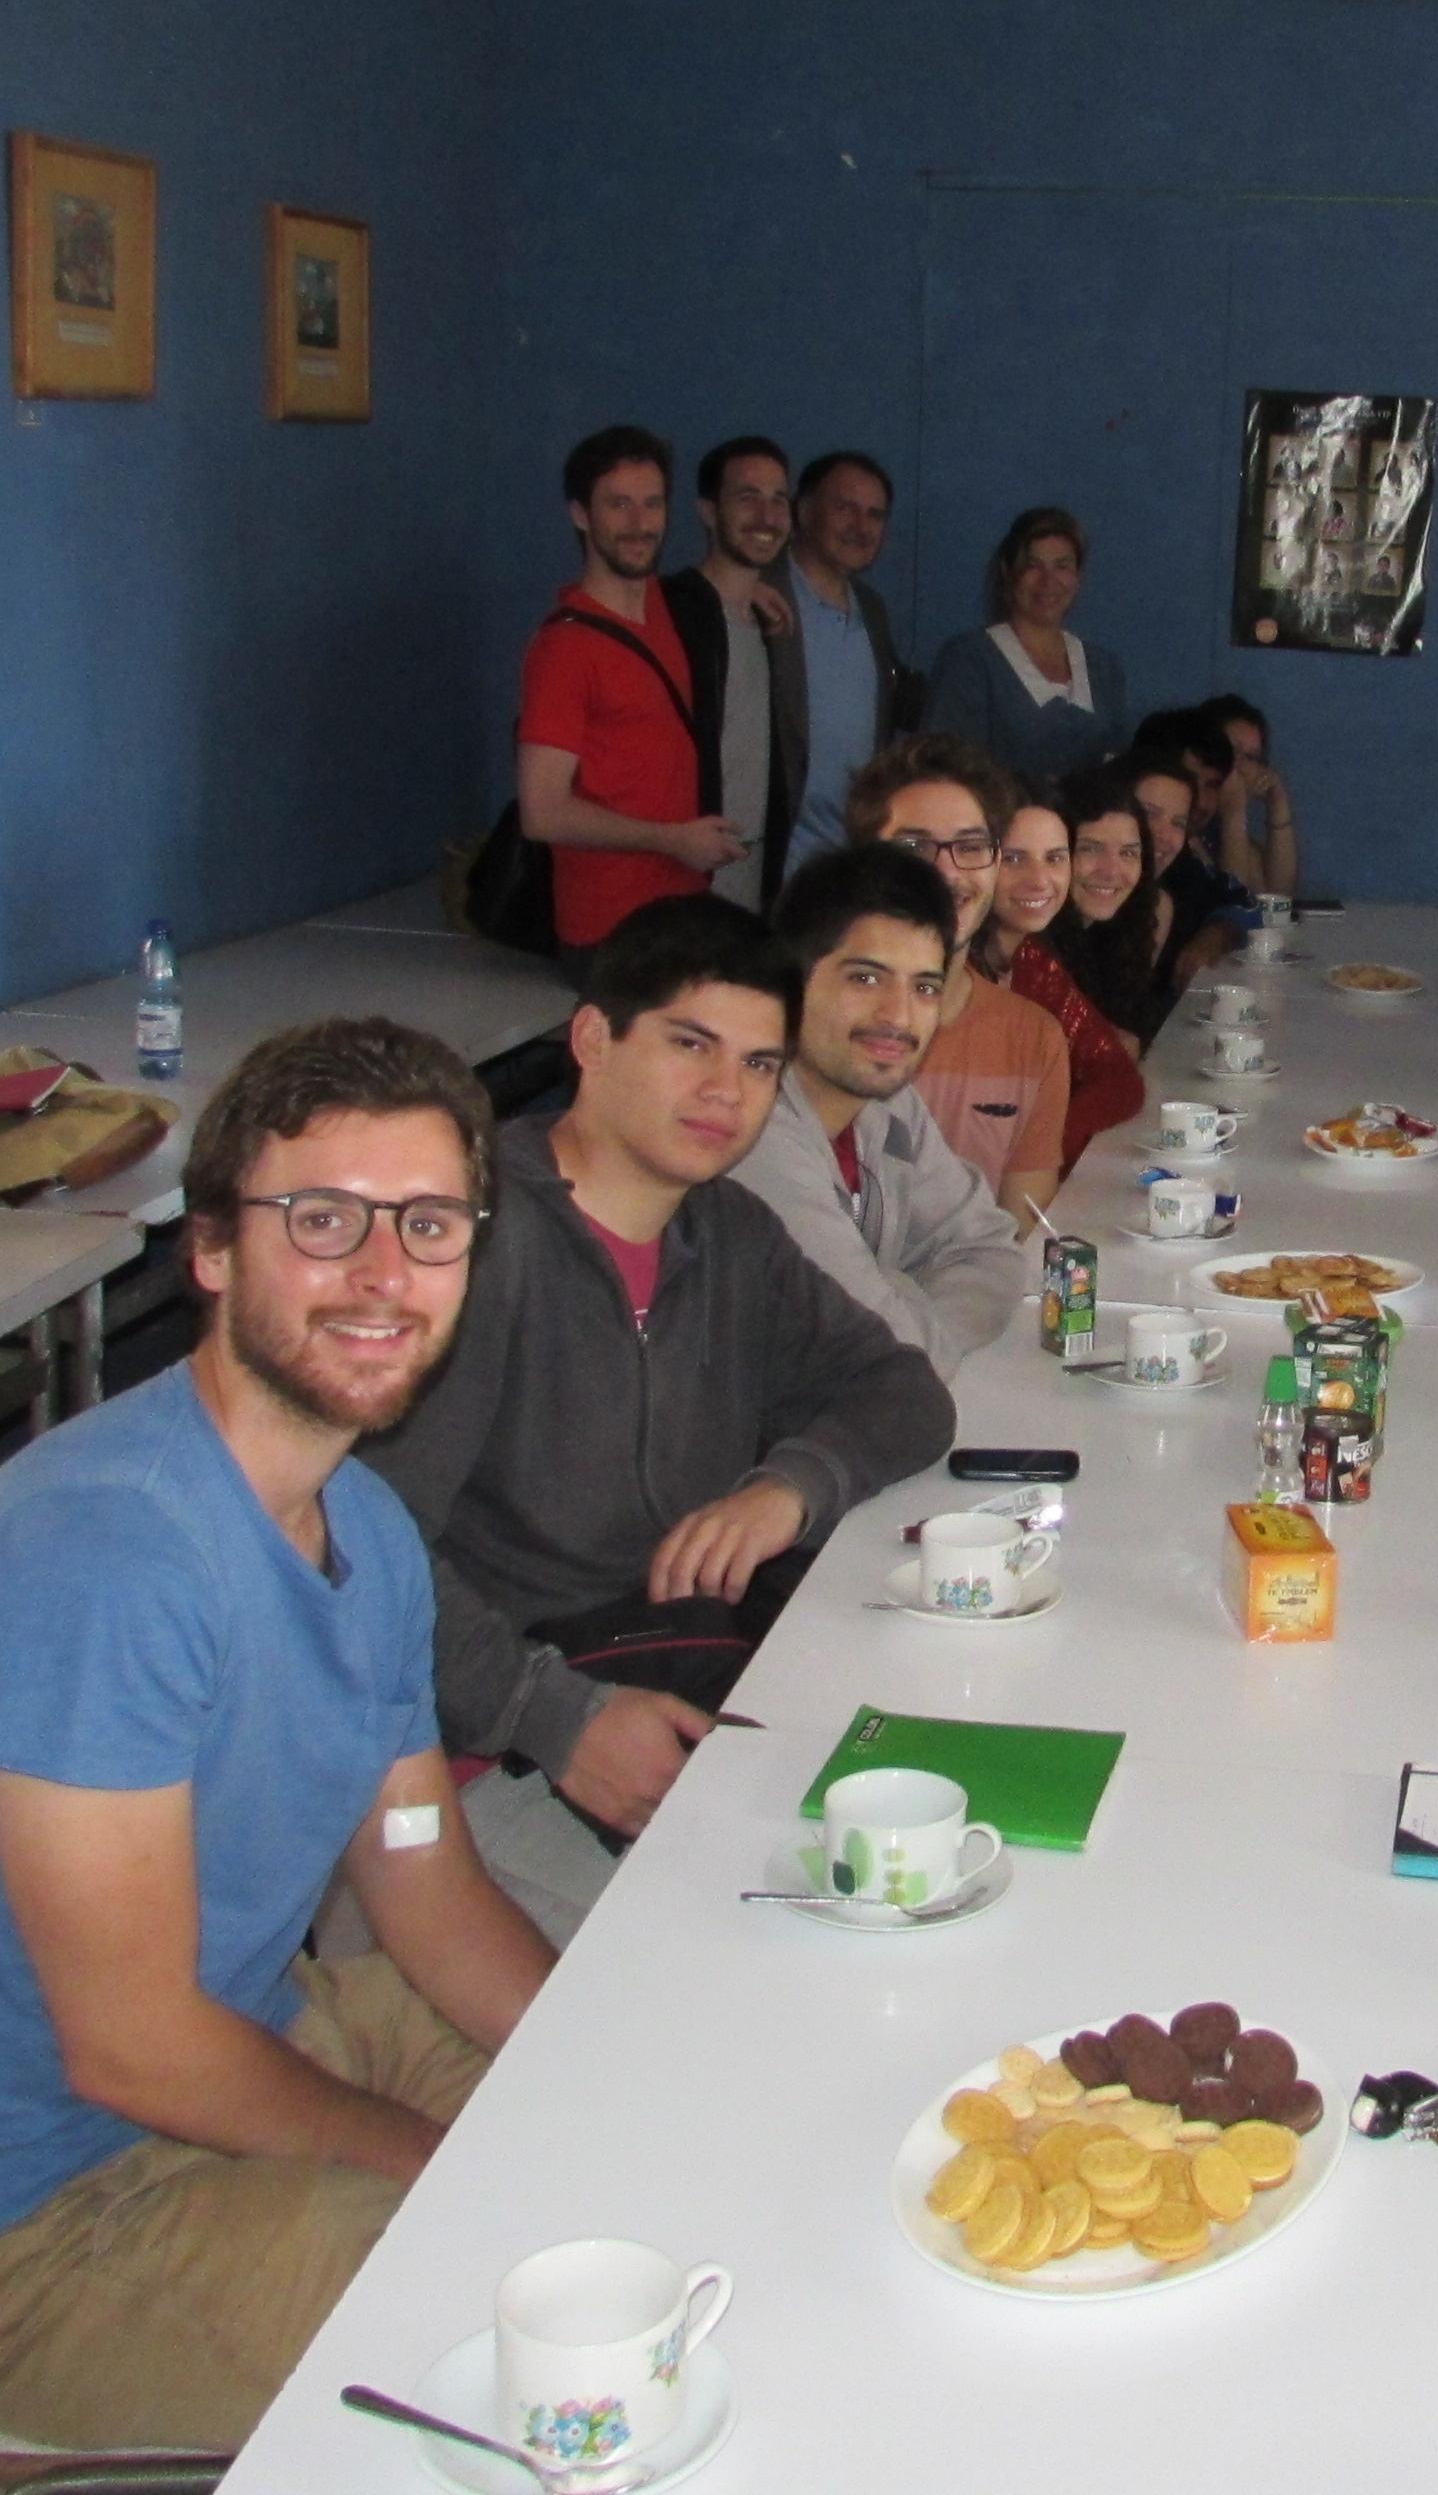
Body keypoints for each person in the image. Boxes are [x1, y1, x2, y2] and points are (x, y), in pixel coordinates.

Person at [0, 1021, 555, 2451]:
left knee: (621, 2136)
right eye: (322, 1221)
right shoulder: (110, 1556)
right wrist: (436, 2168)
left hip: (256, 2033)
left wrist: (583, 2056)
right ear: (211, 1251)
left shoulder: (370, 1532)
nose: (384, 1275)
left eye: (429, 1224)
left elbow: (422, 1880)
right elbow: (134, 2050)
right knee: (518, 2351)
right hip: (28, 2215)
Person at [365, 900, 953, 1861]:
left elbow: (904, 1390)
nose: (728, 1091)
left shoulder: (729, 1235)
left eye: (761, 1066)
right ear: (593, 1038)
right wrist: (547, 1715)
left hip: (675, 1671)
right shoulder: (471, 1245)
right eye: (692, 1045)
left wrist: (786, 1489)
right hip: (480, 1754)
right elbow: (359, 1545)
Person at [730, 844, 1026, 1375]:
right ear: (791, 983)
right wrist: (906, 1304)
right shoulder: (753, 1134)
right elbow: (879, 1356)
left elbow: (991, 1249)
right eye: (865, 978)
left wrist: (903, 1303)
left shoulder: (887, 1105)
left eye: (924, 987)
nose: (898, 1015)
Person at [517, 425, 744, 976]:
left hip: (684, 910)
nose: (640, 524)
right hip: (610, 930)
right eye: (618, 505)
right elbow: (541, 812)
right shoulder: (565, 647)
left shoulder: (680, 609)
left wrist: (756, 592)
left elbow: (729, 577)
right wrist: (669, 840)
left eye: (652, 504)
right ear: (580, 514)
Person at [843, 735, 1072, 1224]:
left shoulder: (1033, 1038)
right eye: (914, 846)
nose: (946, 871)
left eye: (971, 846)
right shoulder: (802, 1026)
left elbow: (1022, 1247)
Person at [658, 433, 802, 907]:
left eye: (778, 499)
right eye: (747, 497)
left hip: (754, 869)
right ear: (707, 511)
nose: (767, 516)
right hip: (682, 869)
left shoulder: (769, 617)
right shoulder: (671, 612)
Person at [982, 792, 1144, 1167]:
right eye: (1014, 858)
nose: (1039, 880)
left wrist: (1049, 1147)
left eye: (1054, 858)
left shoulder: (1033, 961)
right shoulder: (949, 972)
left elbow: (1119, 1076)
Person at [923, 506, 1128, 778]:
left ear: (1078, 576)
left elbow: (1118, 773)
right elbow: (945, 771)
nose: (1048, 581)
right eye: (1033, 565)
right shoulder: (969, 660)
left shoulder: (1103, 669)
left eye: (1062, 566)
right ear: (1008, 573)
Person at [782, 449, 915, 865]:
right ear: (804, 511)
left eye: (875, 515)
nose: (861, 527)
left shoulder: (871, 610)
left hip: (847, 856)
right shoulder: (762, 598)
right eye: (845, 508)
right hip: (772, 858)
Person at [1129, 712, 1255, 999]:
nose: (1197, 799)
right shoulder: (1108, 872)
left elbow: (1240, 899)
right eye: (1185, 781)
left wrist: (1217, 934)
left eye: (1211, 785)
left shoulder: (1181, 860)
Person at [1050, 758, 1173, 1049]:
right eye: (1090, 849)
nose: (1111, 871)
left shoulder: (1123, 931)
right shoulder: (1035, 947)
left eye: (1128, 853)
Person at [1200, 692, 1301, 898]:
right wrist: (1234, 811)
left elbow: (1277, 897)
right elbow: (1233, 904)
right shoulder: (1184, 825)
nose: (1240, 767)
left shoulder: (1220, 826)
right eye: (1232, 752)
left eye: (1251, 757)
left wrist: (1278, 805)